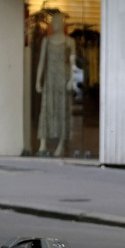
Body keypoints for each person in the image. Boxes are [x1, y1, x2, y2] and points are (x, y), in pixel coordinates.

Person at [35, 12, 76, 157]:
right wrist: (38, 80)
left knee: (61, 109)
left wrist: (72, 79)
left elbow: (72, 63)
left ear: (63, 24)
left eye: (58, 21)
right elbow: (42, 62)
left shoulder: (69, 42)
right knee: (47, 109)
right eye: (53, 21)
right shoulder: (47, 40)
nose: (55, 24)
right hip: (50, 78)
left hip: (62, 79)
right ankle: (43, 143)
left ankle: (61, 143)